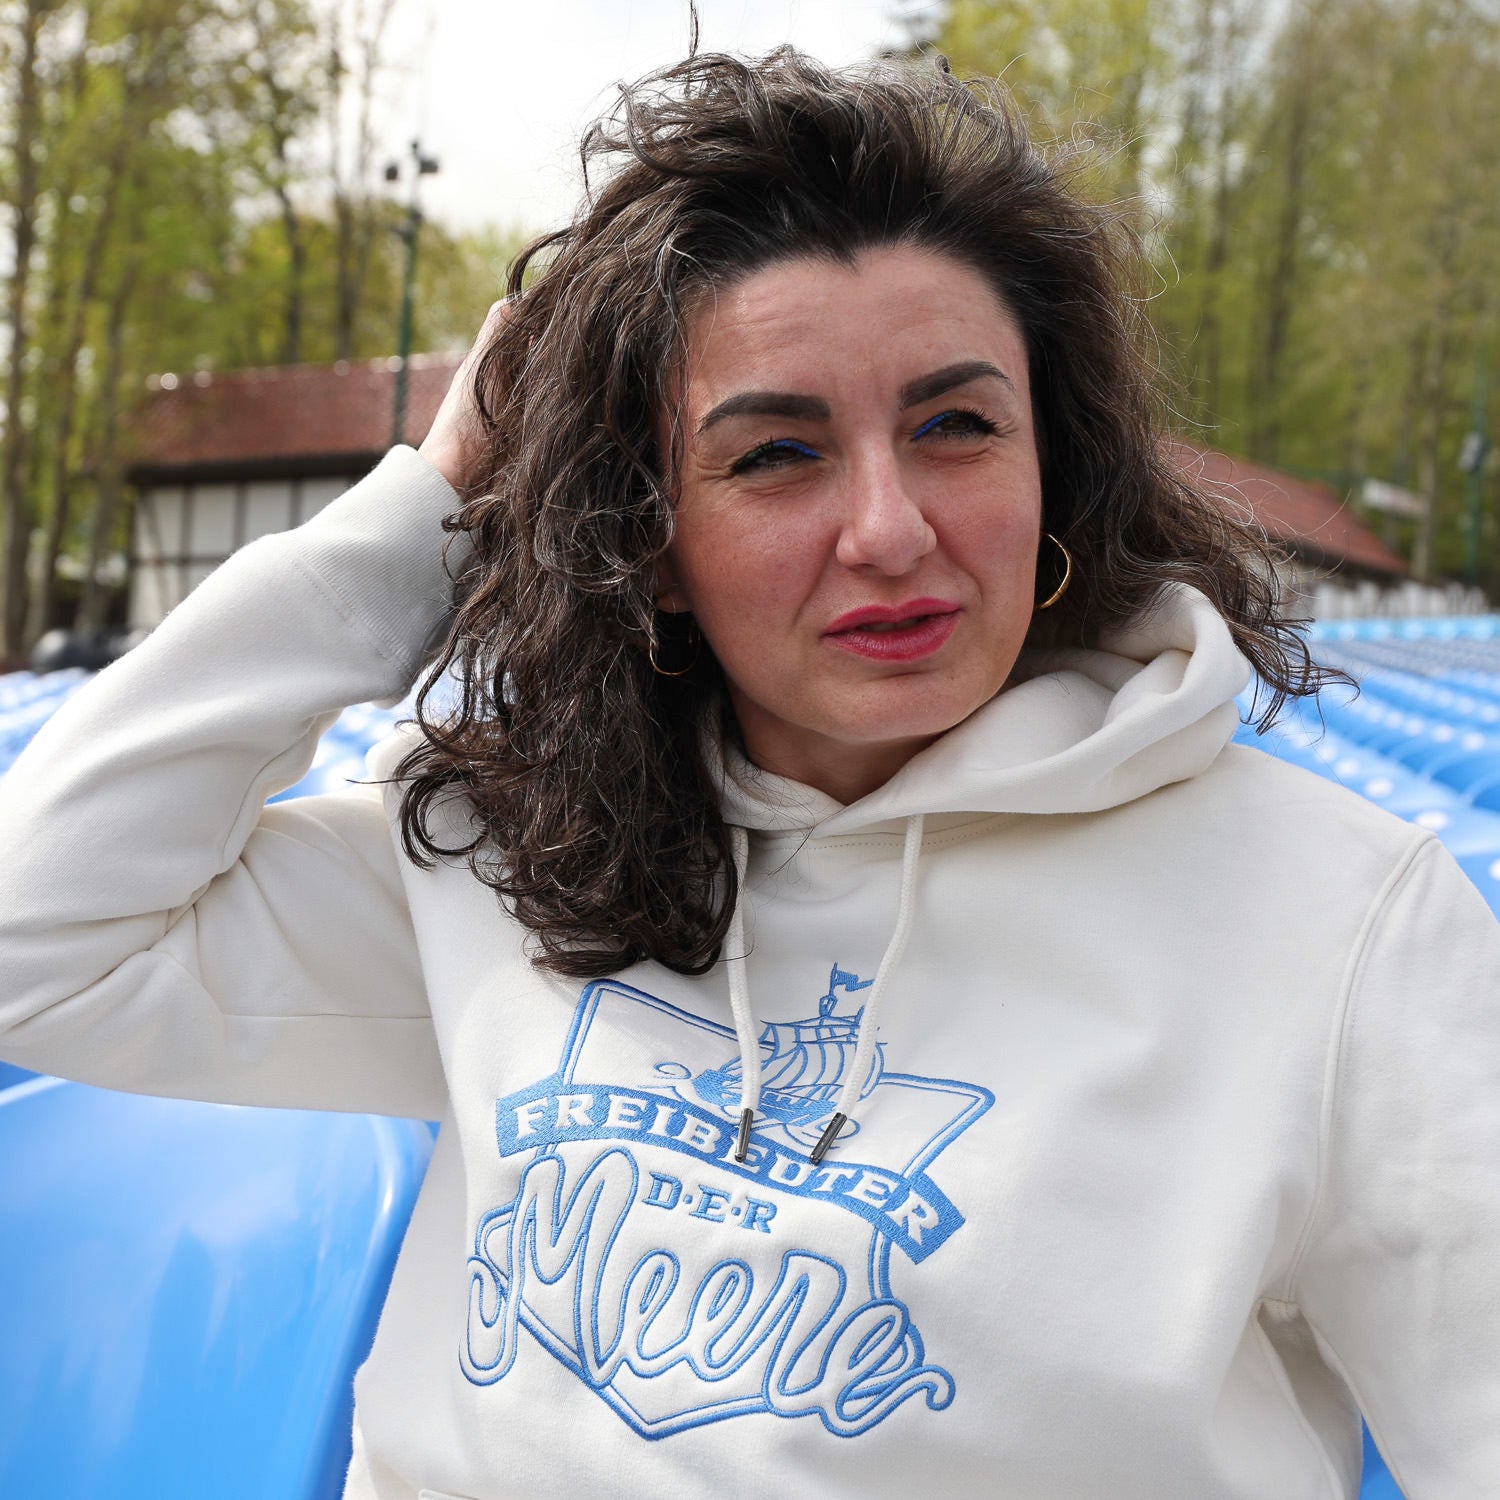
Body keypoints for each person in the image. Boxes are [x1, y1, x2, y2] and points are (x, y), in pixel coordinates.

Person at [1, 45, 1497, 1500]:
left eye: (958, 426)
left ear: (1058, 468)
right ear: (646, 542)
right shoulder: (515, 851)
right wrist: (431, 510)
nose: (890, 529)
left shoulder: (1342, 928)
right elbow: (37, 940)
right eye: (777, 453)